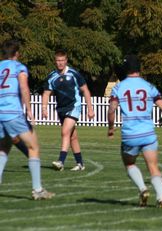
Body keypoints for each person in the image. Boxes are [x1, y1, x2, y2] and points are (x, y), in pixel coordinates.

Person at [107, 55, 162, 208]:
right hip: (148, 134)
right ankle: (161, 198)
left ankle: (142, 189)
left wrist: (110, 128)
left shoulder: (119, 87)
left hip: (130, 134)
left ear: (126, 70)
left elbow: (112, 110)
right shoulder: (149, 86)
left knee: (129, 163)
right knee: (153, 167)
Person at [0, 39, 55, 200]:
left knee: (4, 147)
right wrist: (29, 110)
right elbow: (24, 87)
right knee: (33, 147)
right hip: (12, 112)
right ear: (17, 53)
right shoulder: (19, 67)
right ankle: (37, 190)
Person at [42, 49, 94, 171]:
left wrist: (90, 109)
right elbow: (46, 93)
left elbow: (85, 90)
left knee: (65, 132)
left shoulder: (74, 74)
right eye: (58, 61)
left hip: (74, 106)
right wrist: (44, 108)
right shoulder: (51, 76)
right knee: (72, 136)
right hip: (61, 109)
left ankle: (61, 161)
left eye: (62, 60)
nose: (60, 63)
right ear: (55, 61)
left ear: (66, 61)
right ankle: (80, 164)